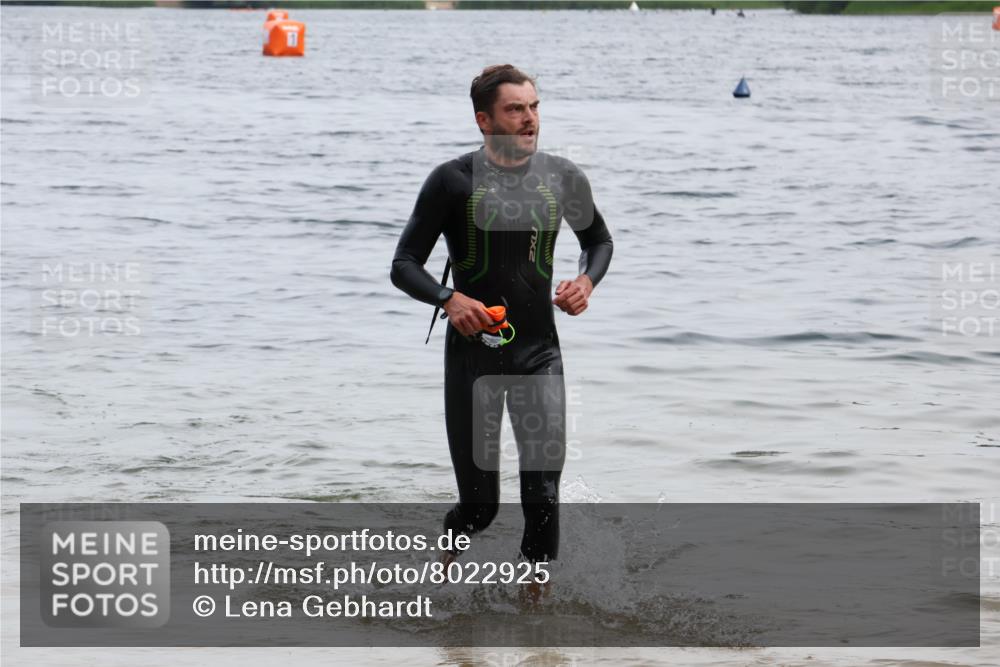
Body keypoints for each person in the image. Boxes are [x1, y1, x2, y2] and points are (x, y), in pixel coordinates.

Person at [390, 64, 613, 601]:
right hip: (474, 359)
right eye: (516, 109)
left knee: (542, 492)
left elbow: (599, 241)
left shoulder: (562, 177)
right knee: (481, 506)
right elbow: (404, 264)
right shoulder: (452, 181)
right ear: (484, 120)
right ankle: (446, 564)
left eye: (534, 106)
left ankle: (537, 617)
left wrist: (586, 281)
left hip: (540, 355)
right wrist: (449, 298)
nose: (529, 118)